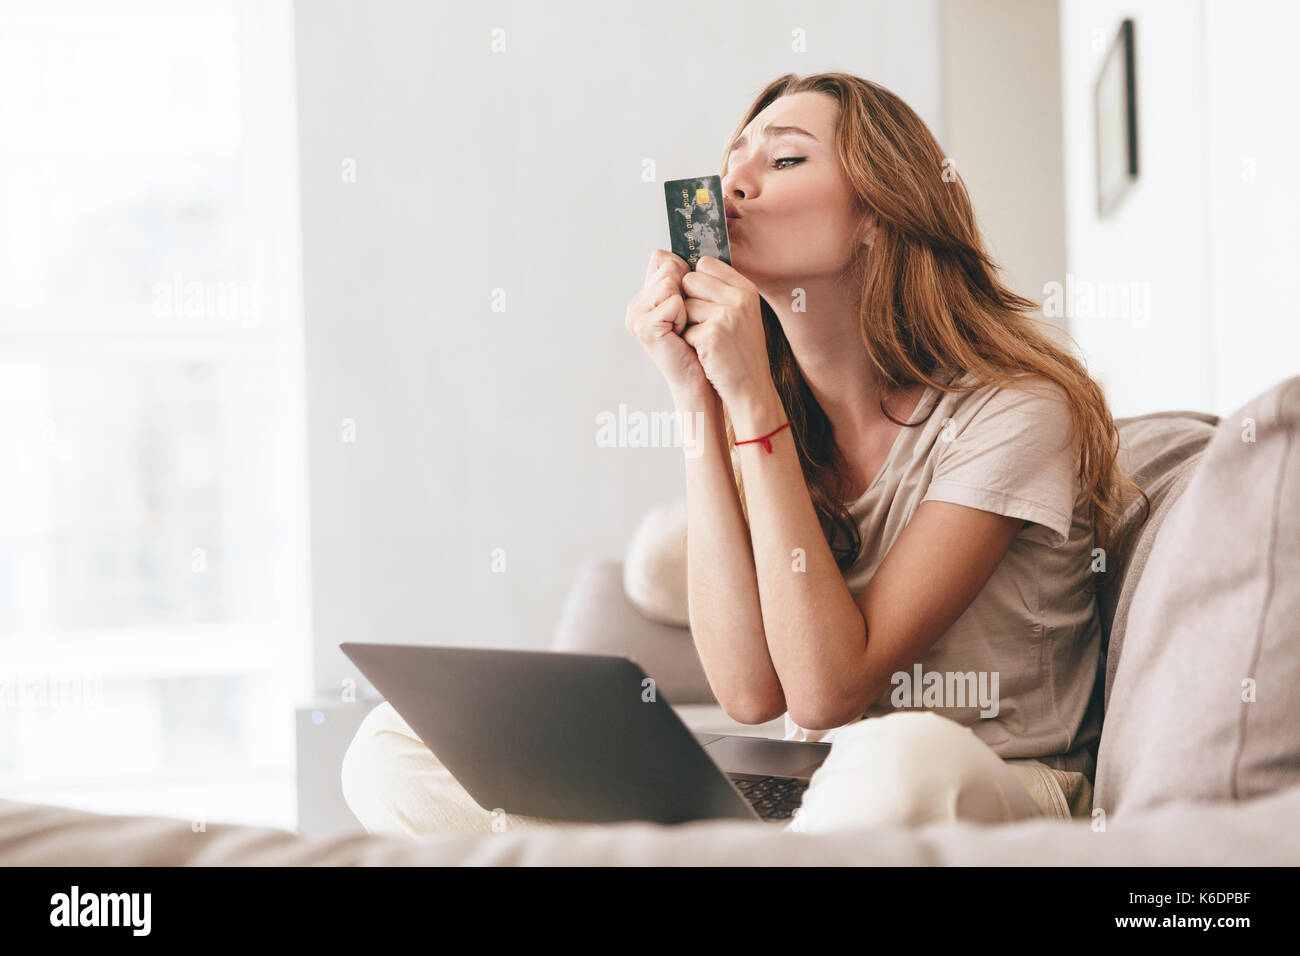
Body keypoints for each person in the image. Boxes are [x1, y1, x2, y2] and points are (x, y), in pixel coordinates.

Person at [342, 71, 1146, 838]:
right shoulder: (767, 410)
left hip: (984, 784)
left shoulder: (1012, 411)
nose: (734, 184)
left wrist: (753, 405)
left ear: (880, 213)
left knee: (900, 753)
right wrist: (698, 395)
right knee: (395, 749)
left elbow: (828, 690)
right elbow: (749, 691)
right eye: (733, 160)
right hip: (810, 791)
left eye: (785, 158)